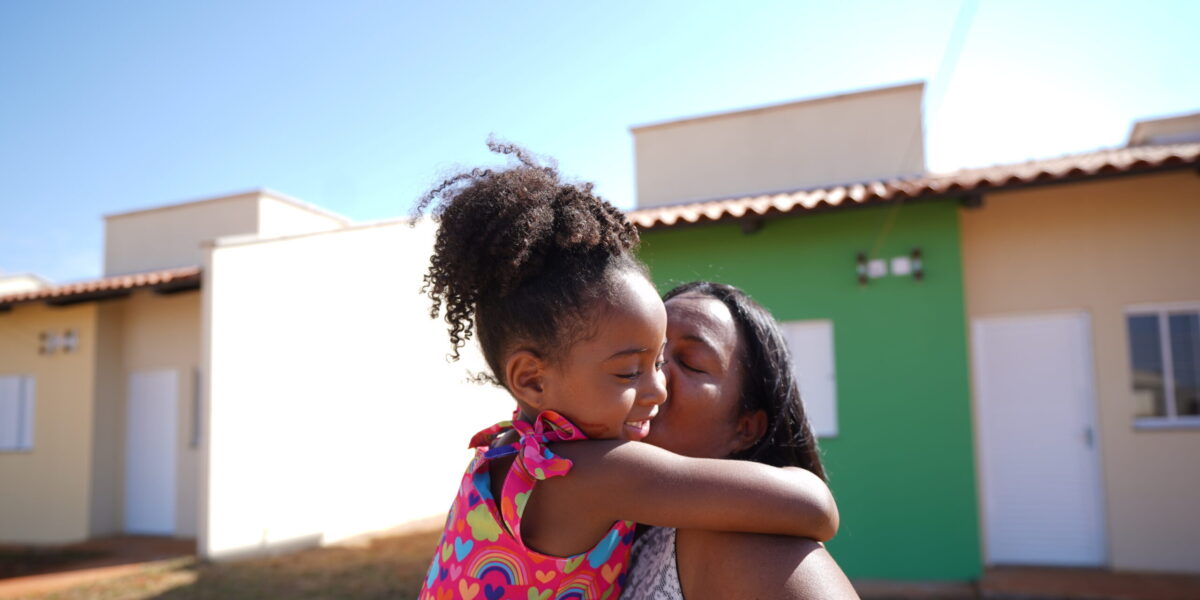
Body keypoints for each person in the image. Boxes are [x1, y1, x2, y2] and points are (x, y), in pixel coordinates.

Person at [415, 142, 839, 600]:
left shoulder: (508, 456)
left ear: (748, 425)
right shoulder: (593, 471)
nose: (657, 388)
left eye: (665, 362)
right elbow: (815, 507)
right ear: (533, 380)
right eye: (628, 372)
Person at [623, 282, 860, 600]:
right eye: (647, 351)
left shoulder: (739, 540)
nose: (655, 374)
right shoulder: (614, 530)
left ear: (746, 428)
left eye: (691, 363)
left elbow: (816, 506)